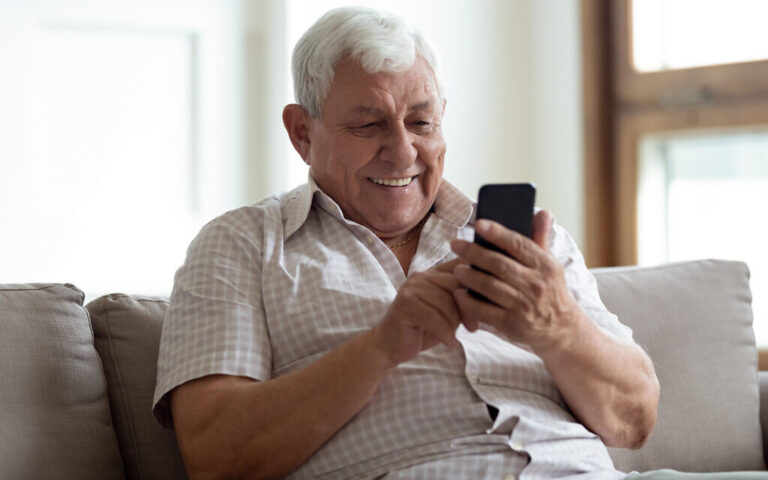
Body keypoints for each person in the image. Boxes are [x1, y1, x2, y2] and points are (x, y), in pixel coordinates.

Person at [153, 6, 661, 479]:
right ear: (302, 132)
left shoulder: (528, 240)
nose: (402, 152)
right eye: (369, 124)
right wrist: (379, 347)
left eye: (421, 122)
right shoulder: (240, 245)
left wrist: (557, 325)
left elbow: (634, 421)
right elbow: (214, 455)